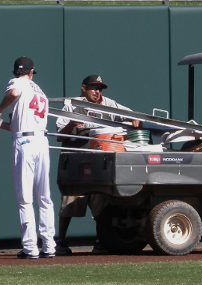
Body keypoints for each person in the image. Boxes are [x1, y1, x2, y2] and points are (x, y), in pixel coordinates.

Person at [55, 75, 140, 255]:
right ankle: (60, 241)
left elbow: (132, 116)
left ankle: (101, 241)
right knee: (69, 204)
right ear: (83, 88)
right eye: (93, 87)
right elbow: (60, 136)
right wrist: (71, 122)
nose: (97, 92)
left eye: (100, 88)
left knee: (101, 205)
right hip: (75, 161)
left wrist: (133, 119)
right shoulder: (72, 105)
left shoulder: (109, 104)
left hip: (98, 163)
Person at [0, 56, 56, 259]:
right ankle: (49, 246)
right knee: (44, 197)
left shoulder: (17, 83)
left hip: (25, 143)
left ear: (15, 73)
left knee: (25, 198)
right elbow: (15, 125)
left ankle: (30, 248)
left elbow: (14, 92)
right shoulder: (40, 91)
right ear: (31, 72)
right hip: (41, 142)